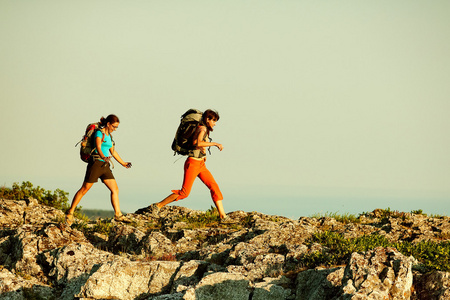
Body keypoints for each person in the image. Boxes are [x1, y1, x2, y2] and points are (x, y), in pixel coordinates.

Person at [152, 109, 234, 224]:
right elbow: (198, 143)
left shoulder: (203, 128)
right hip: (193, 164)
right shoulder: (202, 128)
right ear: (208, 119)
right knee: (184, 193)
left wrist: (204, 155)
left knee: (214, 186)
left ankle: (222, 216)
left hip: (200, 164)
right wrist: (215, 144)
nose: (215, 124)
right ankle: (158, 206)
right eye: (214, 121)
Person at [65, 114, 132, 226]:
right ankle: (70, 212)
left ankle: (118, 214)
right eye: (113, 127)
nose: (115, 129)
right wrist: (103, 156)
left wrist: (123, 163)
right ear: (108, 124)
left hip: (105, 166)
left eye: (116, 127)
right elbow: (98, 147)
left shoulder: (109, 136)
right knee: (84, 189)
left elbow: (113, 152)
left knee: (115, 189)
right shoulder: (99, 133)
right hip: (96, 164)